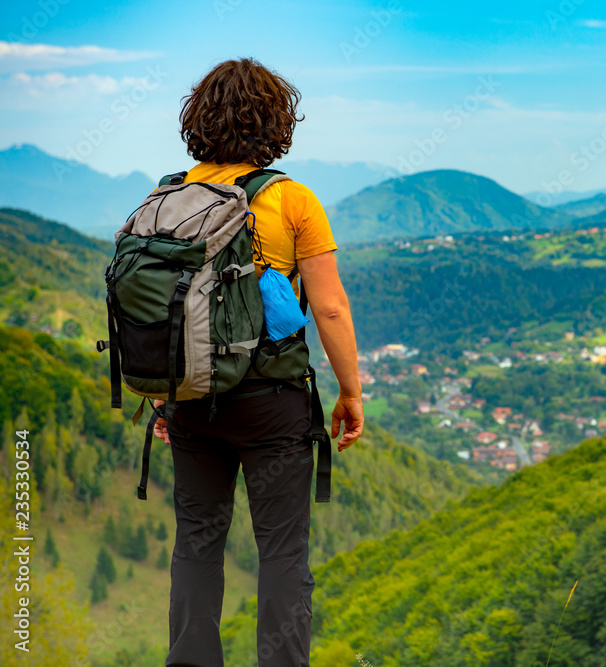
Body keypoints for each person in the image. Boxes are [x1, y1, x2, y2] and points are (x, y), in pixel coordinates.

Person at [150, 58, 365, 667]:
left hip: (190, 401)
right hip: (272, 404)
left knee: (195, 544)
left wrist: (162, 395)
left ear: (198, 120)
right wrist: (350, 392)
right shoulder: (291, 199)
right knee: (282, 553)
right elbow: (329, 309)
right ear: (275, 121)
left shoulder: (167, 195)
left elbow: (155, 307)